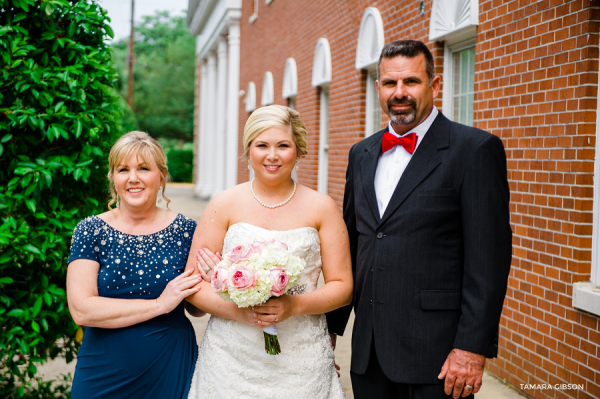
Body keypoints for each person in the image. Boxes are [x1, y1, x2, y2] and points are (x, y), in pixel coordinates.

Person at [326, 40, 513, 399]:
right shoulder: (361, 153)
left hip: (439, 356)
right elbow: (350, 246)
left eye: (410, 81)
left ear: (435, 84)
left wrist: (471, 349)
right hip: (369, 352)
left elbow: (488, 261)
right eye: (390, 83)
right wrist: (331, 330)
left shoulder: (474, 150)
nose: (400, 93)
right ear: (377, 87)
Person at [184, 104, 353, 399]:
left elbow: (343, 287)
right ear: (249, 149)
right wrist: (241, 312)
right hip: (230, 359)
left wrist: (294, 306)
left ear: (298, 150)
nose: (272, 155)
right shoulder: (223, 204)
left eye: (283, 145)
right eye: (262, 145)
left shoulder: (322, 207)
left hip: (300, 360)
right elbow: (193, 284)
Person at [66, 131, 204, 399]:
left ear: (161, 176)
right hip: (102, 368)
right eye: (123, 169)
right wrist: (159, 305)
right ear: (113, 178)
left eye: (143, 168)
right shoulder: (90, 230)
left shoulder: (187, 231)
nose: (133, 178)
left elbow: (196, 309)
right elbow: (82, 309)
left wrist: (210, 278)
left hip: (170, 362)